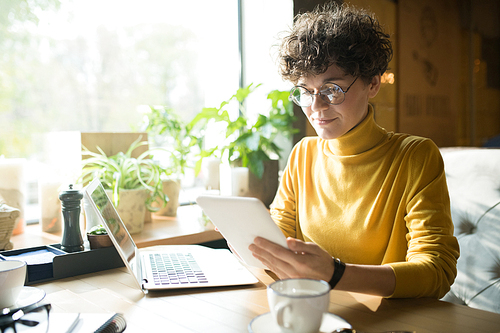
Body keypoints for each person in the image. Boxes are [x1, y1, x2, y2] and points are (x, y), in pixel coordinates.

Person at [248, 2, 459, 299]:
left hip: (390, 319)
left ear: (372, 83)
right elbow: (281, 237)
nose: (316, 107)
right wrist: (250, 240)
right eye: (305, 92)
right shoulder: (303, 154)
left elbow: (437, 271)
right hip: (318, 311)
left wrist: (335, 274)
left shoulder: (415, 156)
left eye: (332, 90)